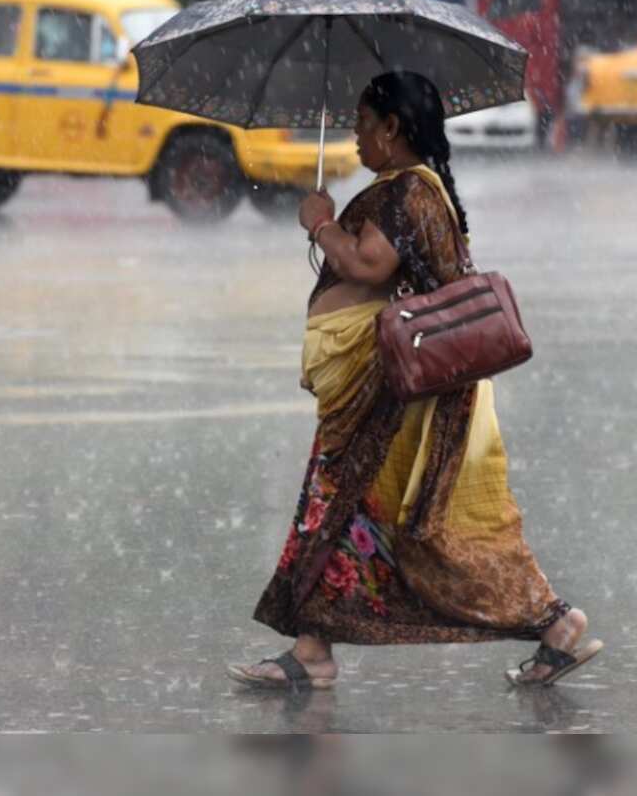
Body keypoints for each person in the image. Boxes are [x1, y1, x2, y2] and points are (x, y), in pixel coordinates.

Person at [227, 71, 602, 691]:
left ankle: (554, 622)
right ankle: (313, 647)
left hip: (400, 396)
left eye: (362, 125)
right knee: (340, 512)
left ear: (393, 128)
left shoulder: (408, 192)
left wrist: (321, 223)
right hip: (387, 390)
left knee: (420, 531)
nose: (353, 139)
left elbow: (368, 265)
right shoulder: (409, 190)